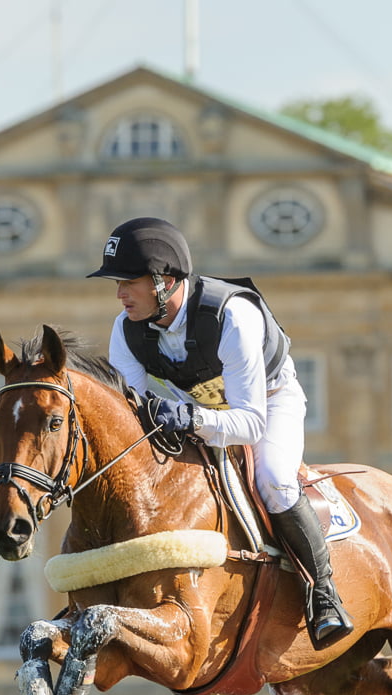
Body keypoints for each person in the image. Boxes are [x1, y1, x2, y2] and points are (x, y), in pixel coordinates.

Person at [87, 216, 352, 650]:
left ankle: (323, 593)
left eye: (127, 282)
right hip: (195, 407)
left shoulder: (231, 316)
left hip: (269, 401)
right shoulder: (126, 328)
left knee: (274, 480)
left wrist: (188, 419)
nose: (119, 295)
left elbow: (249, 423)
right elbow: (128, 412)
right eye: (116, 284)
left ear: (163, 280)